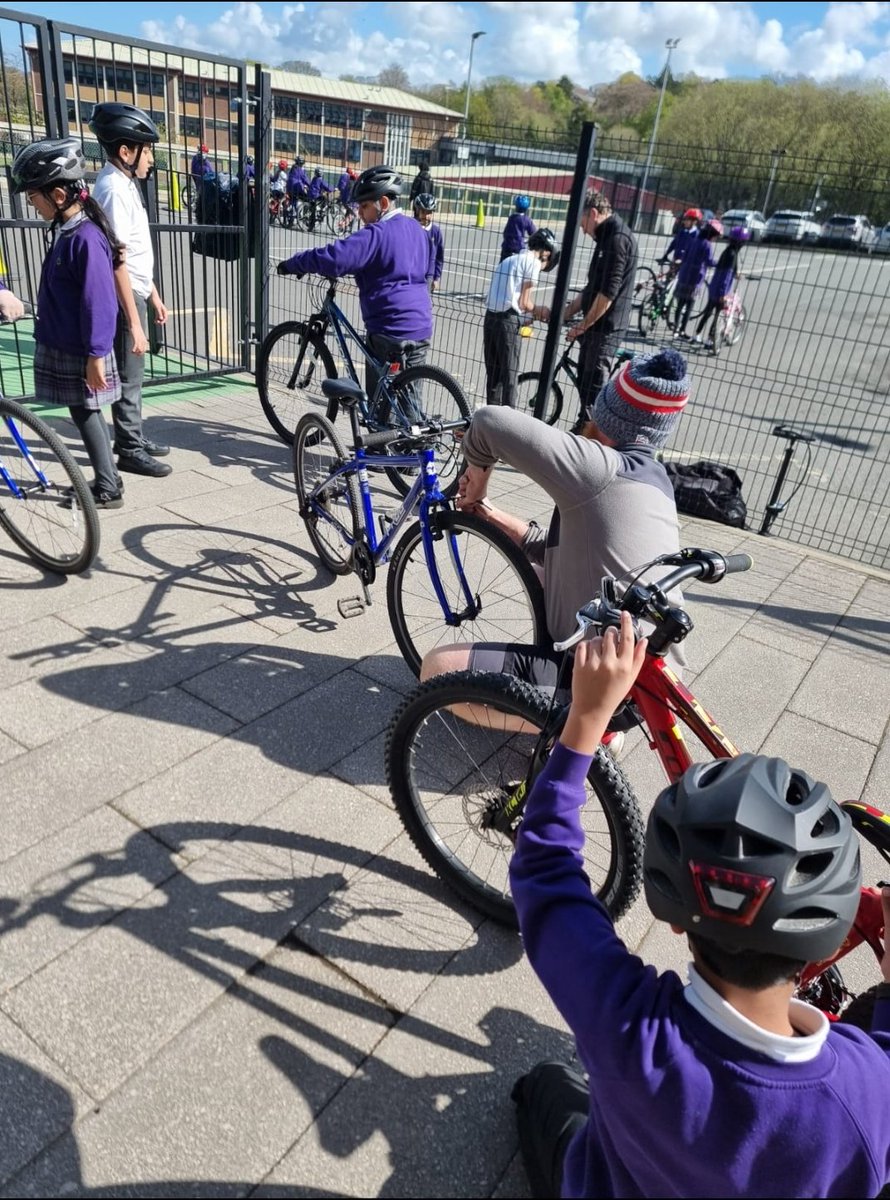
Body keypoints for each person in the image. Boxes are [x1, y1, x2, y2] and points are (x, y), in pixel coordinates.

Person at [509, 618, 890, 1198]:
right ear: (829, 927)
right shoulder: (868, 1095)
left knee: (546, 1086)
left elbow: (543, 869)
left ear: (673, 916)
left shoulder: (625, 1027)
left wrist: (586, 719)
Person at [420, 349, 689, 694]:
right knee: (539, 572)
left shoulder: (599, 468)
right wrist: (488, 512)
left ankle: (585, 729)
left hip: (604, 682)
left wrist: (475, 483)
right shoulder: (656, 482)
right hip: (651, 675)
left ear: (606, 417)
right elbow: (563, 553)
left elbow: (489, 422)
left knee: (437, 669)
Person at [11, 137, 124, 507]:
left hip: (83, 348)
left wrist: (96, 355)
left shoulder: (86, 238)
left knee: (86, 412)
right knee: (84, 411)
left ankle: (107, 488)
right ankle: (110, 477)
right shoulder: (70, 230)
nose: (33, 205)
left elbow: (100, 302)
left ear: (58, 195)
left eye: (34, 198)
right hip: (72, 343)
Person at [276, 164, 433, 398]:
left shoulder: (376, 234)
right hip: (421, 325)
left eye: (364, 206)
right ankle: (417, 432)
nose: (359, 213)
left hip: (389, 328)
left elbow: (334, 258)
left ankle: (381, 429)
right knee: (409, 401)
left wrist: (293, 264)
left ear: (383, 203)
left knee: (382, 408)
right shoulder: (419, 230)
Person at [90, 101, 172, 478]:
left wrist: (152, 293)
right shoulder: (113, 190)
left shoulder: (124, 184)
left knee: (134, 373)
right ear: (126, 151)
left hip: (138, 292)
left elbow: (134, 251)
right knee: (129, 376)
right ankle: (129, 448)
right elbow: (116, 258)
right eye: (148, 149)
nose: (151, 158)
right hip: (126, 298)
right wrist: (134, 320)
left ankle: (132, 435)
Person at [562, 190, 638, 432]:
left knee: (594, 382)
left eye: (583, 223)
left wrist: (582, 325)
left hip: (606, 328)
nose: (583, 231)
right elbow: (592, 287)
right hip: (595, 327)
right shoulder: (606, 238)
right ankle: (584, 425)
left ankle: (592, 436)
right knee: (585, 380)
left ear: (593, 214)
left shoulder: (617, 240)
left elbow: (608, 293)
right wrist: (566, 313)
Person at [482, 228, 559, 408]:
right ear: (546, 253)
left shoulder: (508, 260)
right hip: (508, 323)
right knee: (509, 375)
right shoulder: (532, 262)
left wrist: (523, 317)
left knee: (494, 376)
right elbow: (524, 302)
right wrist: (540, 311)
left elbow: (505, 298)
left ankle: (491, 419)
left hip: (490, 318)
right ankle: (510, 423)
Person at [694, 224, 749, 347]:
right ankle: (710, 339)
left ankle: (696, 334)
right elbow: (726, 276)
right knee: (717, 315)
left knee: (708, 312)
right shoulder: (733, 255)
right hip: (720, 290)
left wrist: (736, 274)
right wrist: (723, 293)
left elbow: (731, 270)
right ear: (741, 242)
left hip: (714, 286)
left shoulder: (728, 251)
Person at [672, 216, 722, 340]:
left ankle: (675, 329)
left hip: (684, 275)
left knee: (680, 304)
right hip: (695, 278)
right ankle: (682, 330)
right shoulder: (707, 244)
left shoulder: (693, 240)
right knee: (689, 305)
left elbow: (685, 255)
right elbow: (709, 261)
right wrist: (720, 264)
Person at [413, 193, 444, 292]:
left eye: (429, 212)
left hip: (428, 275)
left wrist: (436, 278)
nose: (426, 216)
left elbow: (439, 257)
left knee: (423, 304)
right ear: (417, 211)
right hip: (411, 272)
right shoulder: (411, 227)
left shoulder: (436, 231)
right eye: (423, 212)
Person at [658, 206, 701, 271]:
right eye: (685, 220)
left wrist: (683, 260)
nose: (685, 222)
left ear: (694, 221)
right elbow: (674, 243)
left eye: (688, 220)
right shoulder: (682, 231)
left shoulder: (697, 236)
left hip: (686, 264)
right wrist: (666, 254)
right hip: (675, 260)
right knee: (669, 277)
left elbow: (695, 252)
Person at [500, 195, 537, 262]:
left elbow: (505, 232)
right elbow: (533, 233)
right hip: (519, 246)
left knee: (503, 264)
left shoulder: (511, 218)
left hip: (507, 246)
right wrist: (528, 241)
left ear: (516, 206)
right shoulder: (527, 219)